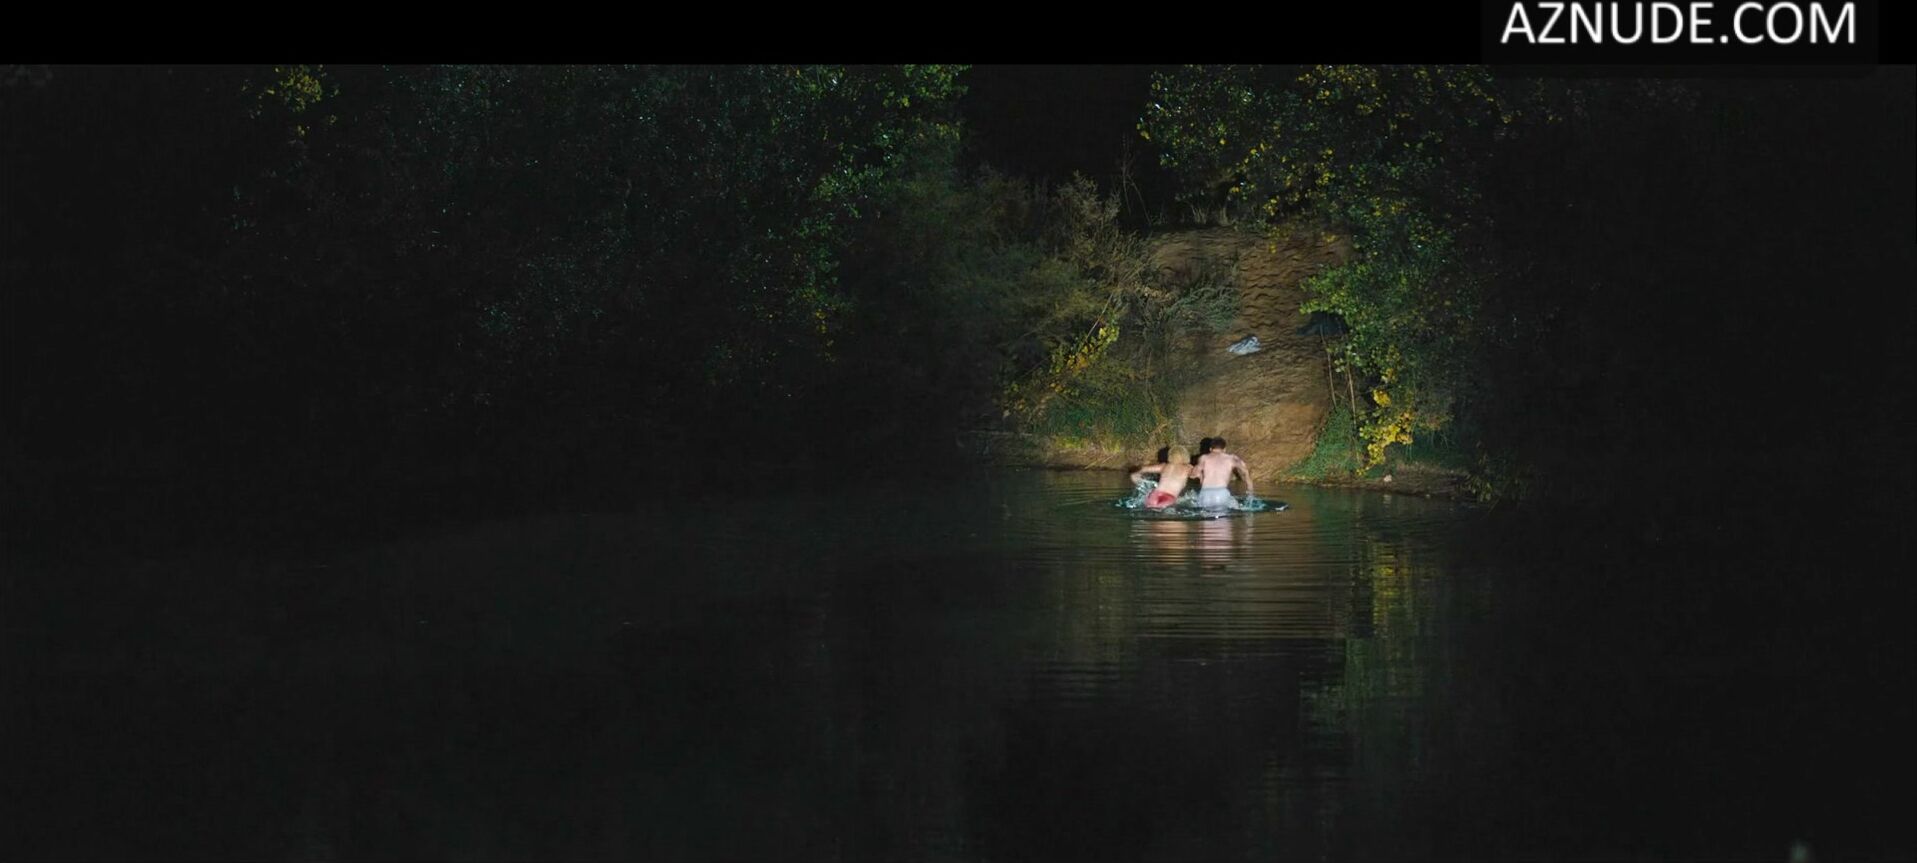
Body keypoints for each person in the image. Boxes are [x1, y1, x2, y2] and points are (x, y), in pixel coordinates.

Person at [1130, 445, 1198, 510]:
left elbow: (1140, 469)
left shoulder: (1164, 466)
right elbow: (1197, 474)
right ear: (1185, 456)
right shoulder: (1187, 468)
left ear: (1170, 456)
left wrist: (1137, 480)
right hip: (1168, 498)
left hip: (1154, 496)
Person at [1192, 436, 1253, 510]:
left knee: (1205, 515)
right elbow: (1245, 471)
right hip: (1221, 494)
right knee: (1237, 509)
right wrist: (1250, 488)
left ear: (1210, 449)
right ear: (1224, 449)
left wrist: (1201, 477)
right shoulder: (1231, 458)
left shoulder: (1203, 458)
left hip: (1205, 493)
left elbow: (1194, 474)